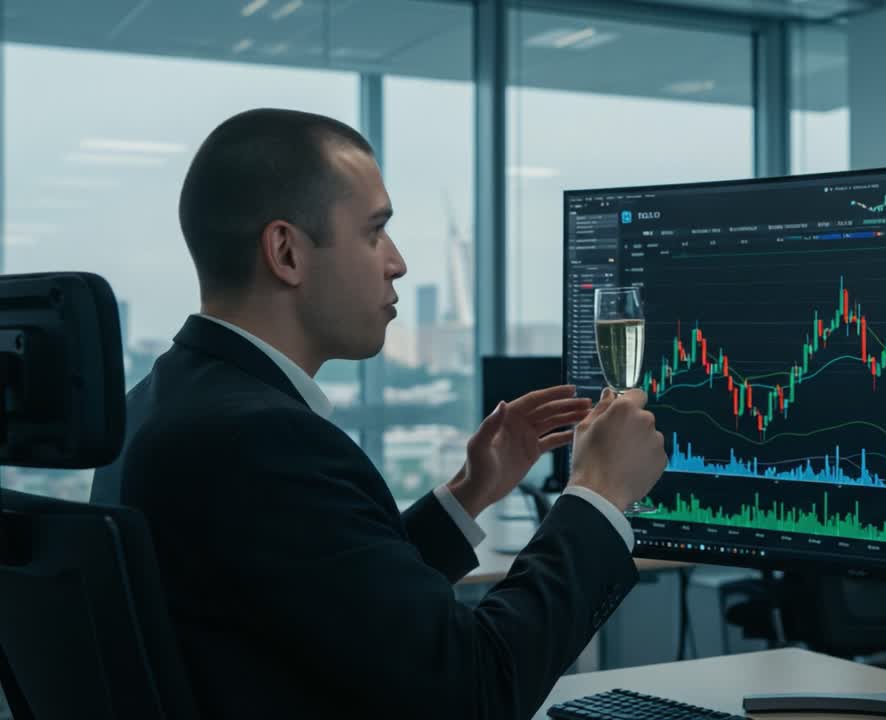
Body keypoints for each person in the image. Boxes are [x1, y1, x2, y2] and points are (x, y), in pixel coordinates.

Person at [90, 108, 668, 719]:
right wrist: (597, 494)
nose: (397, 262)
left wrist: (468, 494)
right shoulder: (262, 440)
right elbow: (474, 692)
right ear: (286, 251)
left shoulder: (157, 405)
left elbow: (334, 598)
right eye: (374, 232)